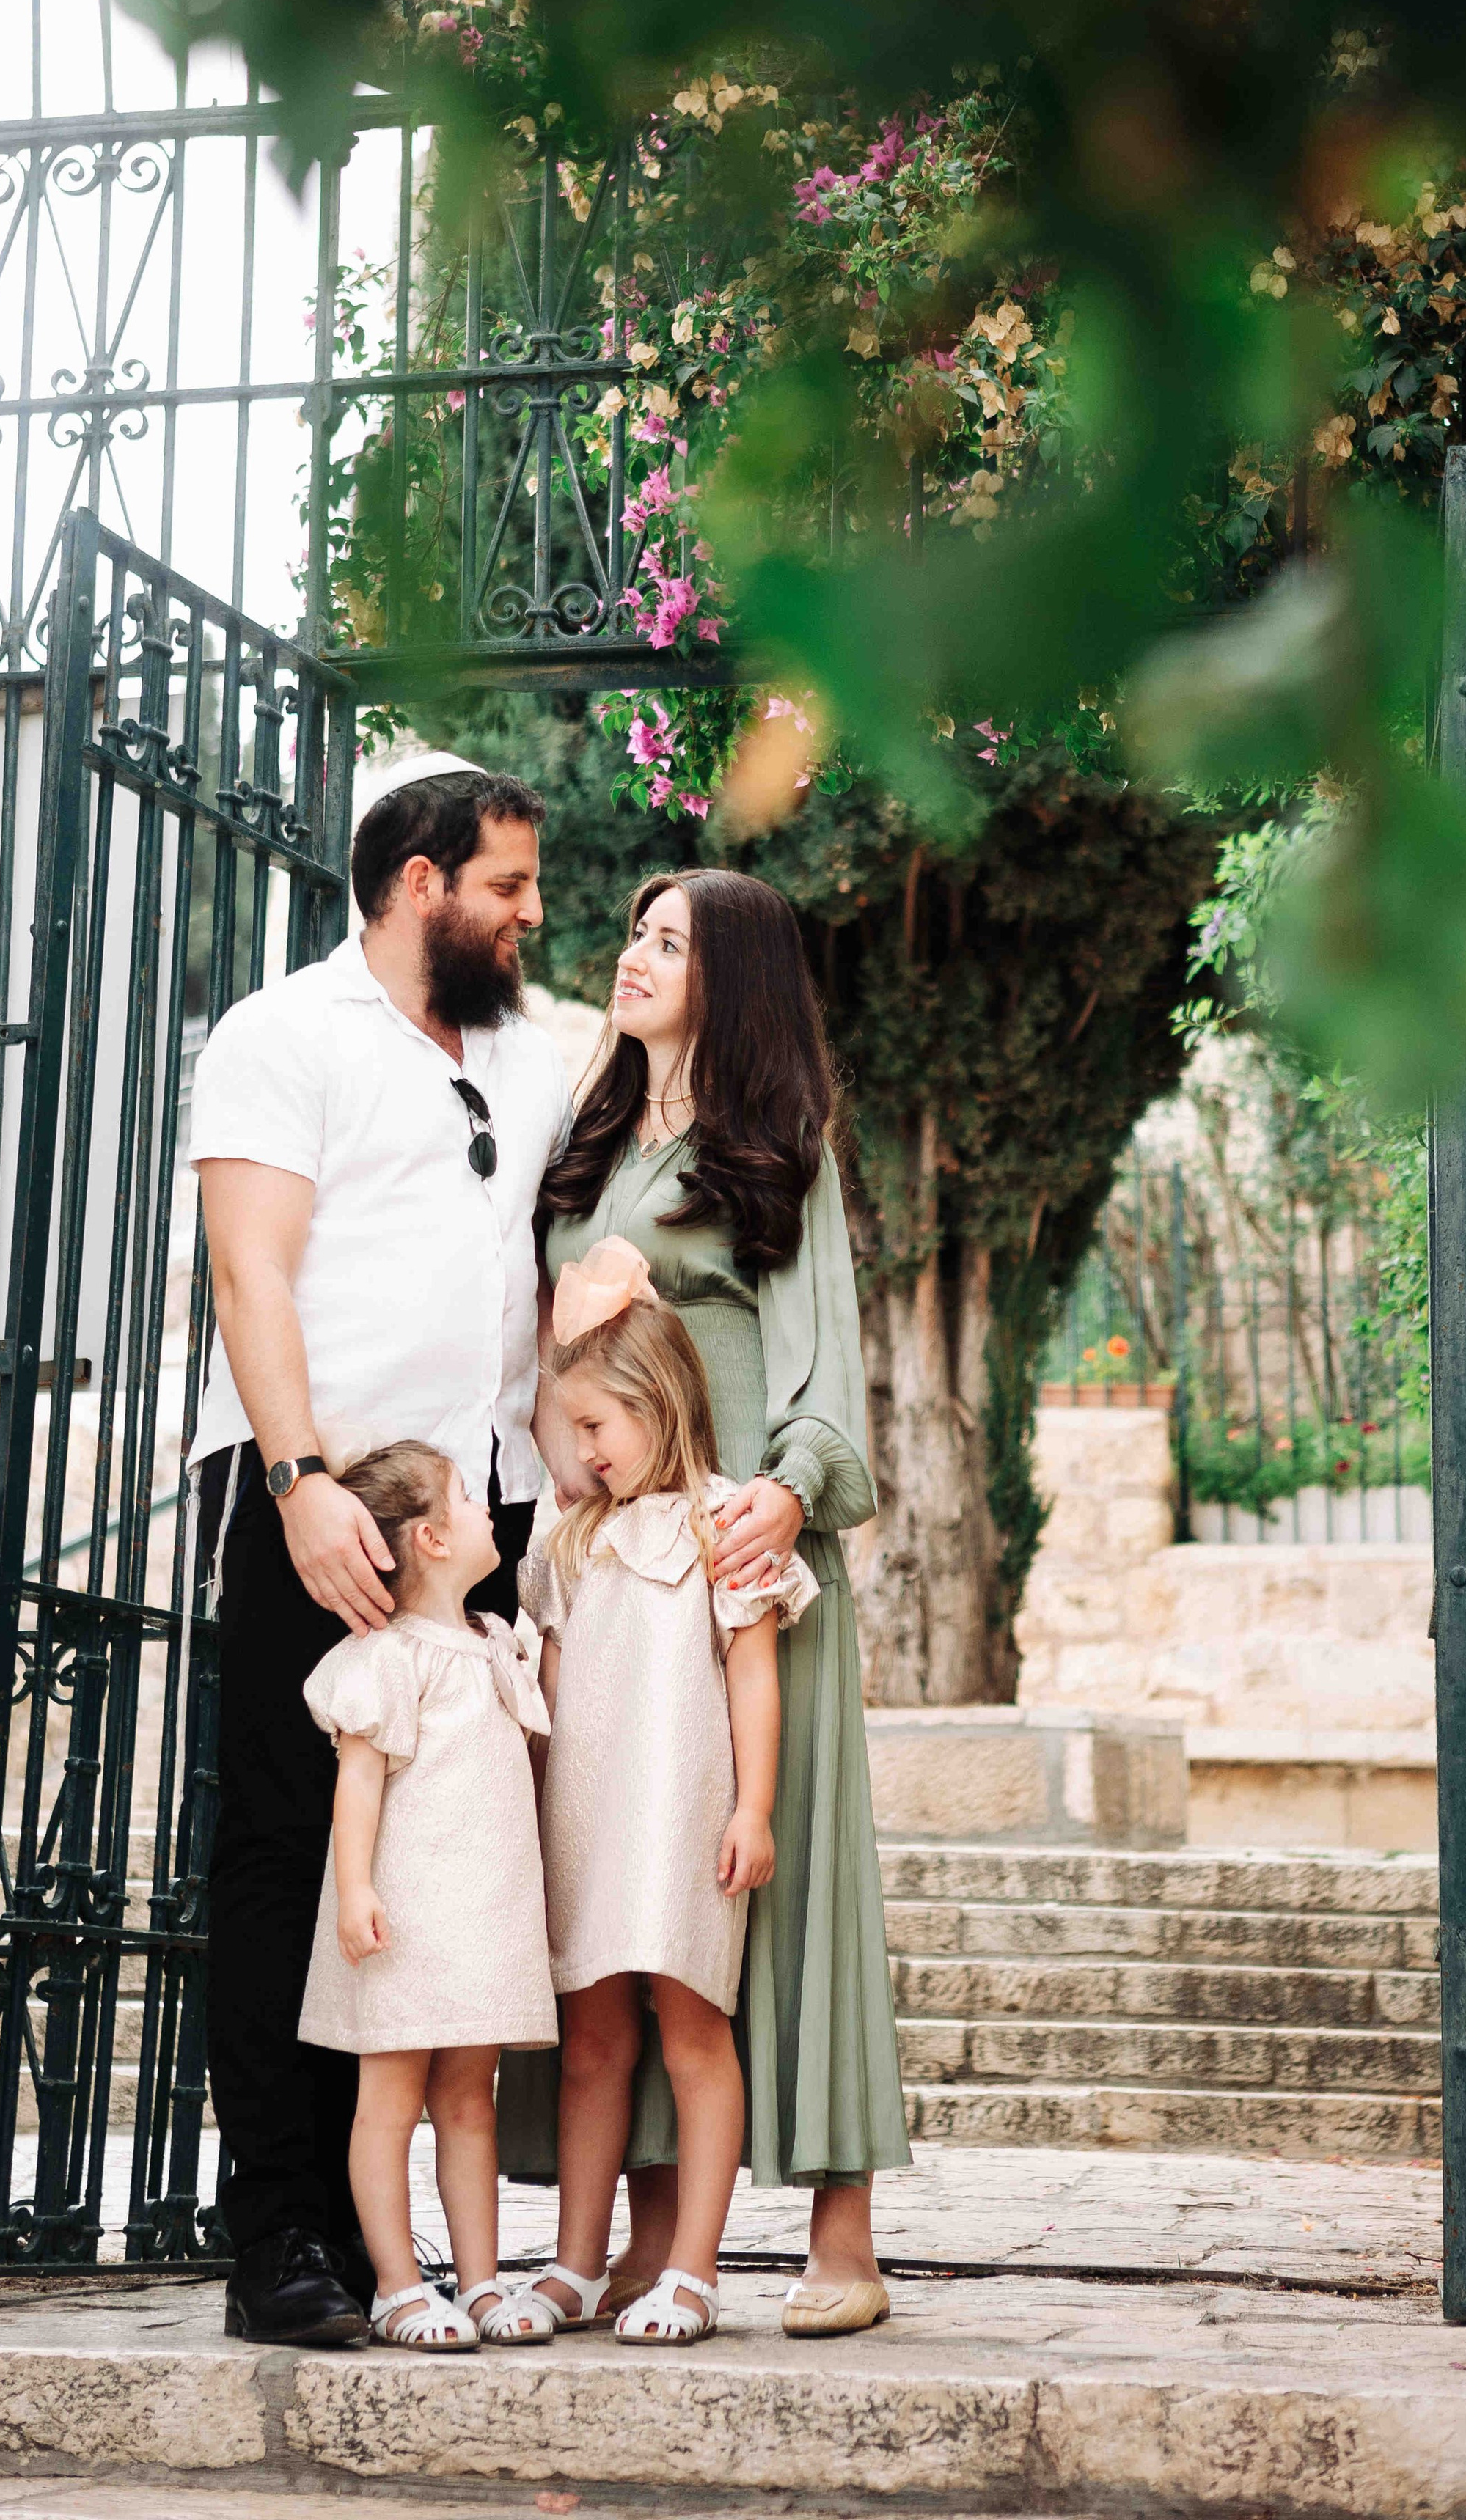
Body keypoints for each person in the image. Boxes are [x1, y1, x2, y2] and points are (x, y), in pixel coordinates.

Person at [188, 762, 570, 2348]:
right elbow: (249, 1267)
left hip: (491, 1512)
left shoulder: (536, 1056)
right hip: (327, 1501)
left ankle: (396, 2250)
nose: (531, 915)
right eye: (506, 888)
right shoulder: (282, 1034)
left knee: (443, 1878)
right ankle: (278, 2231)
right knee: (292, 1856)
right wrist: (298, 1480)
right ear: (419, 880)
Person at [505, 868, 910, 2339]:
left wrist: (787, 1491)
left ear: (729, 976)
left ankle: (842, 2236)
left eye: (668, 943)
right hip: (611, 1570)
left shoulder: (780, 1151)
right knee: (624, 1899)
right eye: (632, 933)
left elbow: (824, 1371)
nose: (632, 958)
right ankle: (647, 2235)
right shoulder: (586, 1134)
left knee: (777, 1884)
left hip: (748, 1565)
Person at [493, 1243, 817, 2347]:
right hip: (585, 1822)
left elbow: (754, 1674)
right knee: (591, 2045)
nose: (581, 1453)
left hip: (682, 1822)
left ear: (657, 1400)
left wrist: (753, 1808)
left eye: (596, 1428)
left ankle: (689, 2270)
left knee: (693, 2036)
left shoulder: (727, 1525)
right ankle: (580, 2264)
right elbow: (542, 1672)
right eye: (572, 1431)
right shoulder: (564, 1535)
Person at [296, 1440, 557, 2352]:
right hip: (406, 1916)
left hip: (481, 1914)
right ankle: (399, 2286)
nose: (493, 1511)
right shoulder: (386, 1658)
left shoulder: (493, 1643)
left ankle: (481, 2282)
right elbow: (359, 1781)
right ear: (435, 1538)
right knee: (389, 2102)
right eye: (474, 1501)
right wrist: (357, 1887)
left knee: (469, 2100)